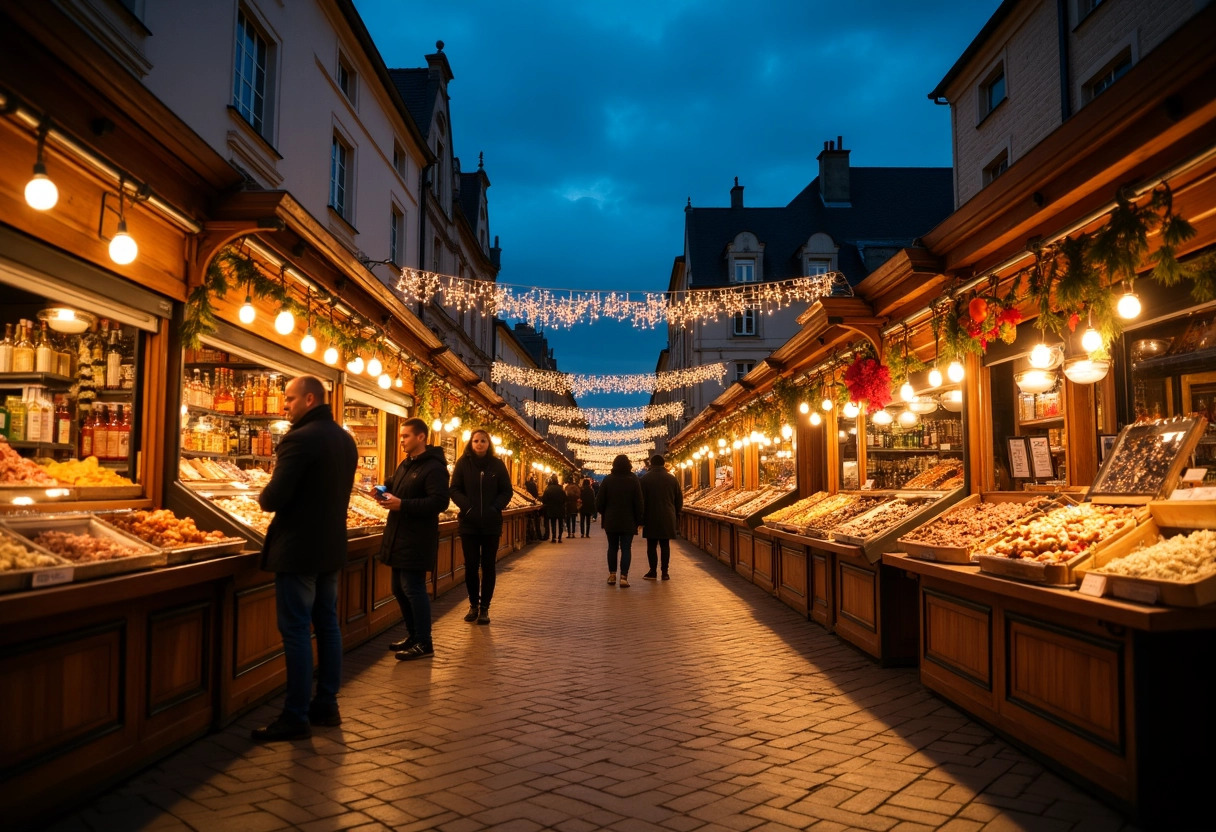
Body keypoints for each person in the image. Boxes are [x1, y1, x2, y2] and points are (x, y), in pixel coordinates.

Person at [251, 375, 357, 742]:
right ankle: (326, 705)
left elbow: (273, 498)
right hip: (330, 547)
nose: (284, 405)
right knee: (327, 625)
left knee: (296, 631)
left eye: (290, 399)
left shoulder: (299, 439)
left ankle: (295, 715)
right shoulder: (345, 438)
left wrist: (263, 492)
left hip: (298, 550)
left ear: (310, 399)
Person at [379, 417, 450, 660]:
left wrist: (403, 504)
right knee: (398, 588)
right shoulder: (406, 463)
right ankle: (413, 635)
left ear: (421, 437)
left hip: (417, 538)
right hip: (399, 536)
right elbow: (397, 489)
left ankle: (424, 641)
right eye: (400, 436)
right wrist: (382, 492)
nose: (401, 441)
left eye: (406, 436)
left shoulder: (434, 467)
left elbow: (439, 502)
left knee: (413, 589)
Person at [449, 428, 513, 625]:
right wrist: (467, 507)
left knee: (488, 566)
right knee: (470, 566)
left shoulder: (497, 465)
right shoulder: (463, 463)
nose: (479, 444)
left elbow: (506, 491)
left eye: (483, 441)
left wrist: (495, 508)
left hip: (491, 526)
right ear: (471, 443)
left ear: (488, 444)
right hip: (469, 524)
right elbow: (454, 489)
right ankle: (473, 605)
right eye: (476, 440)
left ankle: (485, 607)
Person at [595, 454, 643, 587]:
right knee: (626, 548)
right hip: (629, 520)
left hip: (611, 520)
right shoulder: (633, 479)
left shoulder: (608, 480)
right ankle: (624, 577)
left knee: (612, 547)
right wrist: (639, 520)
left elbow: (599, 502)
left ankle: (612, 575)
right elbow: (639, 502)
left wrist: (605, 513)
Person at [640, 453, 682, 580]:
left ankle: (653, 571)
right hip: (667, 516)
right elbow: (679, 499)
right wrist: (675, 513)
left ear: (651, 464)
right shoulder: (672, 479)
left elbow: (641, 500)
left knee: (651, 545)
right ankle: (665, 572)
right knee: (665, 545)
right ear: (664, 464)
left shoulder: (645, 479)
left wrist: (641, 518)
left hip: (650, 516)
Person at [542, 475, 566, 542]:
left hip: (551, 508)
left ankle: (553, 537)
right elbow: (565, 498)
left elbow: (544, 499)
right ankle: (560, 537)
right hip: (560, 508)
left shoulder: (548, 488)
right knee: (560, 523)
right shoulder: (561, 488)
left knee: (553, 523)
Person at [524, 472, 543, 541]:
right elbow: (536, 493)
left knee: (532, 520)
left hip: (531, 502)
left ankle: (531, 535)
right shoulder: (533, 484)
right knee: (536, 520)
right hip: (534, 502)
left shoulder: (527, 484)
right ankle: (538, 535)